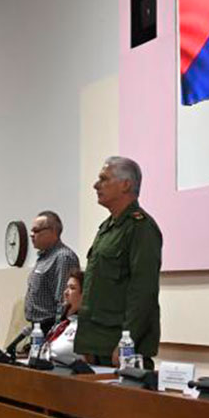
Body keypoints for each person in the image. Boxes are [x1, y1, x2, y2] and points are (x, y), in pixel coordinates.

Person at [74, 156, 162, 369]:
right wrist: (86, 343)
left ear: (125, 185)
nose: (96, 185)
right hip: (96, 344)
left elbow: (143, 291)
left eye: (104, 179)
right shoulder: (107, 228)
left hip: (119, 348)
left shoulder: (141, 228)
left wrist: (126, 344)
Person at [24, 210, 80, 335]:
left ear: (53, 231)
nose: (32, 235)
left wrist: (55, 332)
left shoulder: (63, 257)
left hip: (51, 328)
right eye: (31, 231)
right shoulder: (44, 257)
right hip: (37, 328)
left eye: (36, 230)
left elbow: (64, 301)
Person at [44, 269, 84, 360]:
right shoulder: (61, 324)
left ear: (85, 294)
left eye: (72, 288)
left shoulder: (86, 326)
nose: (65, 292)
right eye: (67, 287)